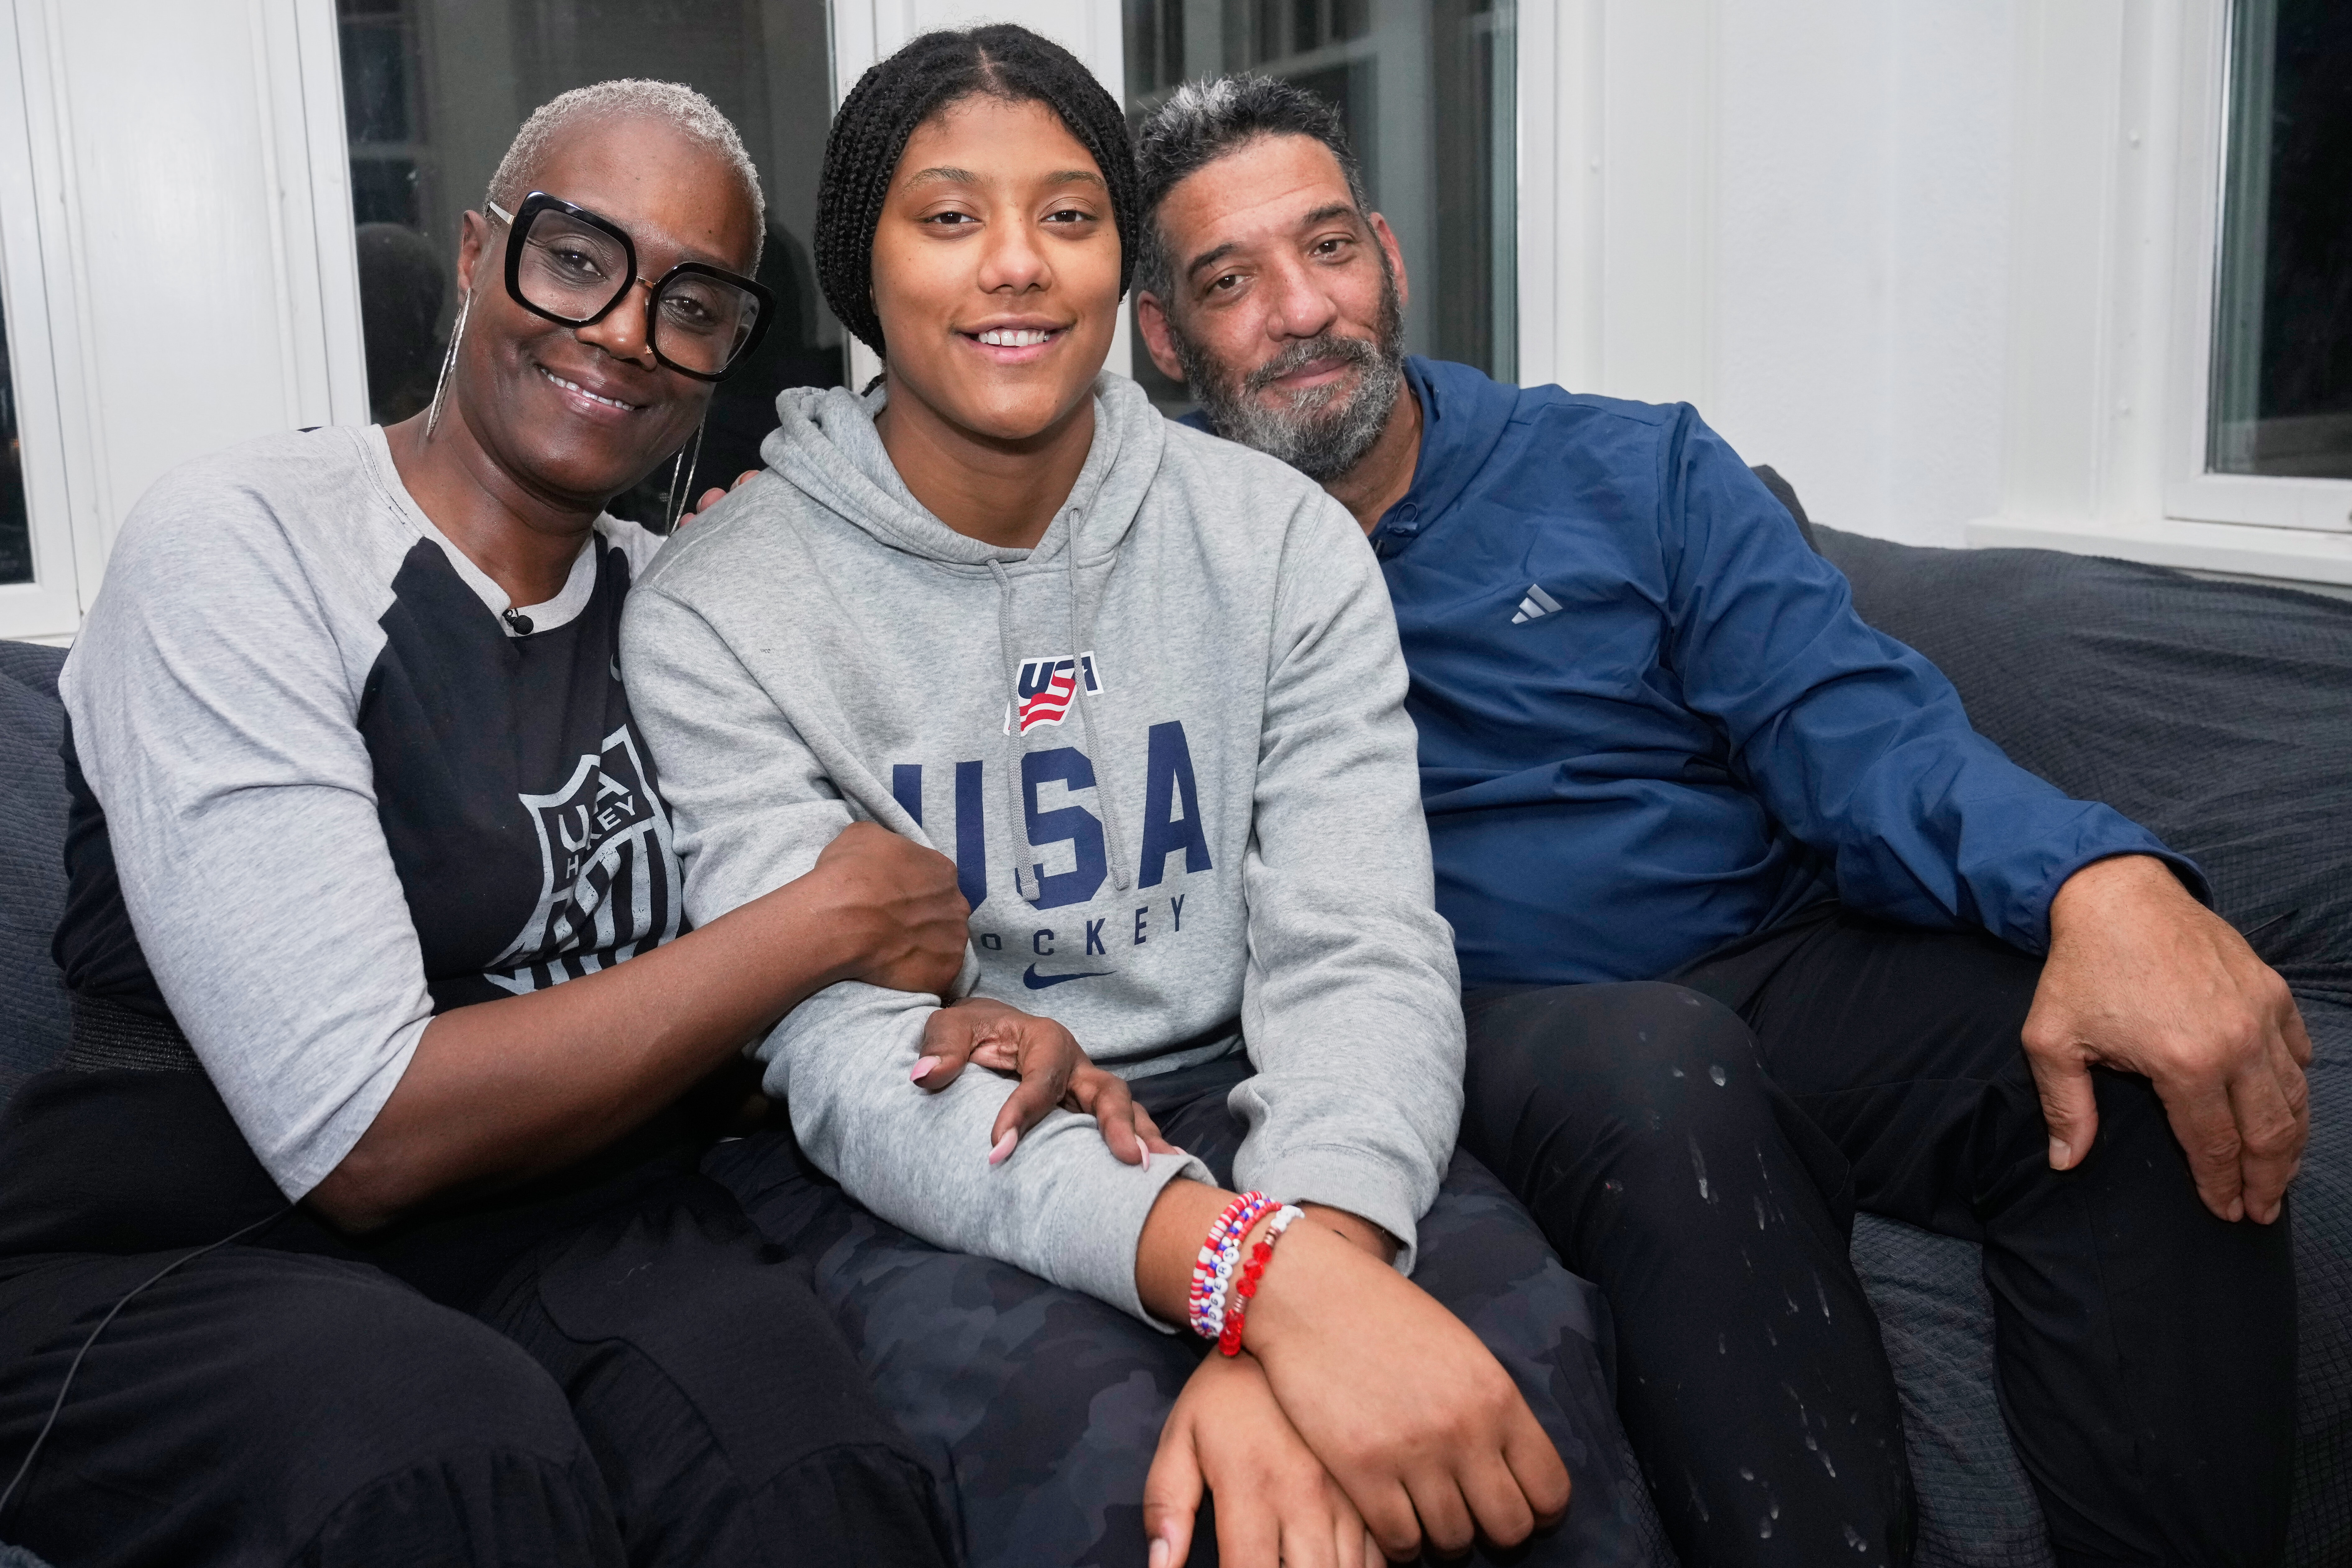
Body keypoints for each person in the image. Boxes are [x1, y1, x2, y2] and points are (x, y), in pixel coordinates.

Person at [1129, 76, 2308, 1568]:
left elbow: (1854, 723)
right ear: (1165, 336)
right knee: (1659, 1067)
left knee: (2123, 1066)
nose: (1303, 309)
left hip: (1767, 955)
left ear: (1389, 255)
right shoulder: (1153, 555)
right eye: (1231, 281)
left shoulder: (1634, 467)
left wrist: (2098, 879)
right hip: (1472, 1019)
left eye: (1328, 248)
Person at [623, 25, 1669, 1568]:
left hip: (1262, 1092)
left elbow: (1360, 941)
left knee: (1512, 1393)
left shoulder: (1279, 542)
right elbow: (851, 1057)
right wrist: (1260, 1282)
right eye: (950, 216)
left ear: (1123, 268)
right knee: (1130, 1485)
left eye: (1067, 215)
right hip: (942, 1161)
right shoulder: (723, 607)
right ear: (864, 267)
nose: (1016, 268)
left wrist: (1310, 1243)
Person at [0, 80, 983, 1567]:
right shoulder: (248, 539)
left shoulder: (688, 606)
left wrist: (977, 1018)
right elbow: (361, 1134)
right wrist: (820, 926)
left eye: (693, 303)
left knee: (804, 1463)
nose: (622, 334)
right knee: (447, 1450)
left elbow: (865, 941)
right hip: (183, 1231)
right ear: (477, 257)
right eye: (578, 259)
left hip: (577, 1211)